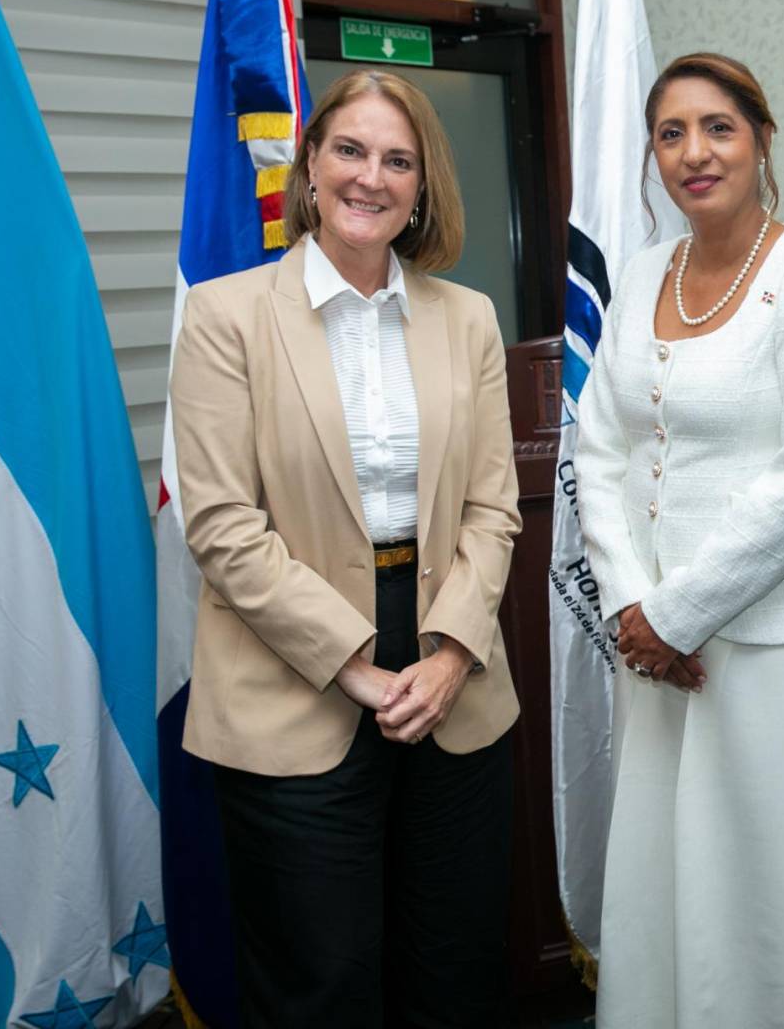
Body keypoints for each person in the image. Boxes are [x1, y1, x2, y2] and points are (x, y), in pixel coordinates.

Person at [169, 70, 522, 1028]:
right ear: (313, 168)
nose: (373, 177)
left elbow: (494, 508)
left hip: (452, 658)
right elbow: (221, 524)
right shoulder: (226, 315)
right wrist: (359, 668)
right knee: (318, 979)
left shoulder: (470, 317)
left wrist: (446, 653)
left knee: (452, 970)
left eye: (398, 160)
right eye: (351, 151)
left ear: (423, 187)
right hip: (291, 666)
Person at [573, 52, 784, 1028]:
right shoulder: (638, 274)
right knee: (671, 897)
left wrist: (676, 613)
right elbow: (603, 449)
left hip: (773, 657)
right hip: (654, 664)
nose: (693, 153)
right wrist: (632, 609)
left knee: (781, 903)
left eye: (717, 128)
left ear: (760, 139)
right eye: (670, 134)